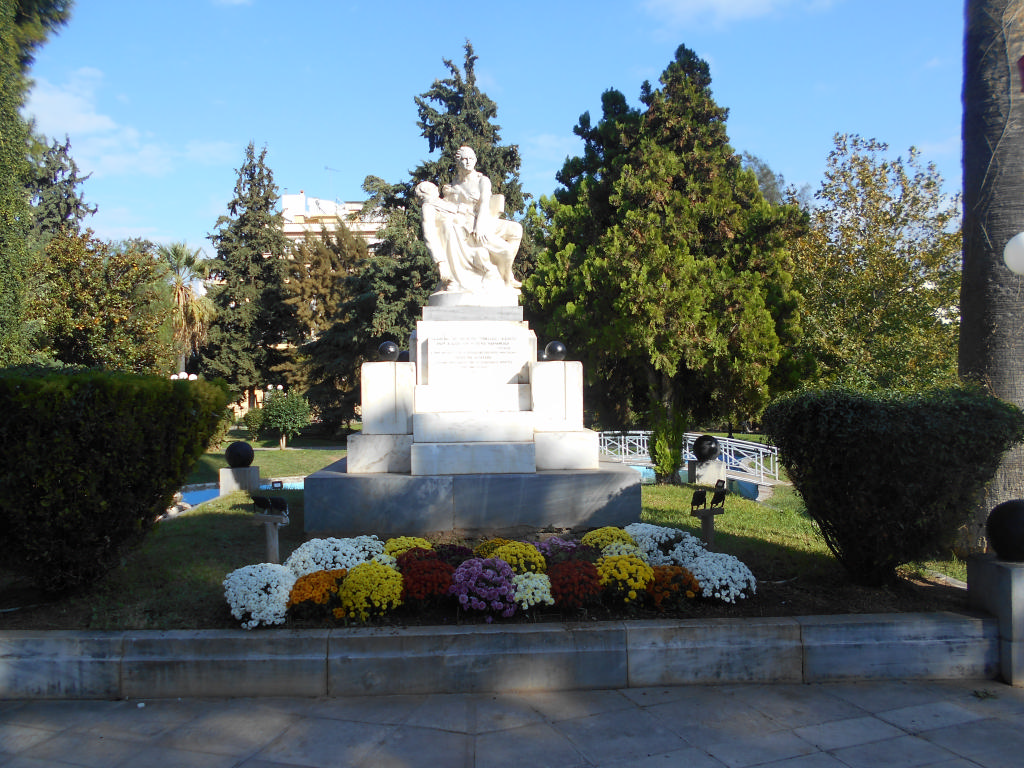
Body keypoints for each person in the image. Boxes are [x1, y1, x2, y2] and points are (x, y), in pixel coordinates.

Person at [416, 146, 523, 293]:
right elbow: (445, 208)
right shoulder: (452, 186)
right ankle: (501, 275)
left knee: (516, 229)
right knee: (505, 251)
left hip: (483, 219)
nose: (468, 162)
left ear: (475, 160)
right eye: (464, 159)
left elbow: (484, 202)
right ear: (458, 162)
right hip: (465, 222)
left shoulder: (482, 180)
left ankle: (507, 274)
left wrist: (480, 226)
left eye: (471, 159)